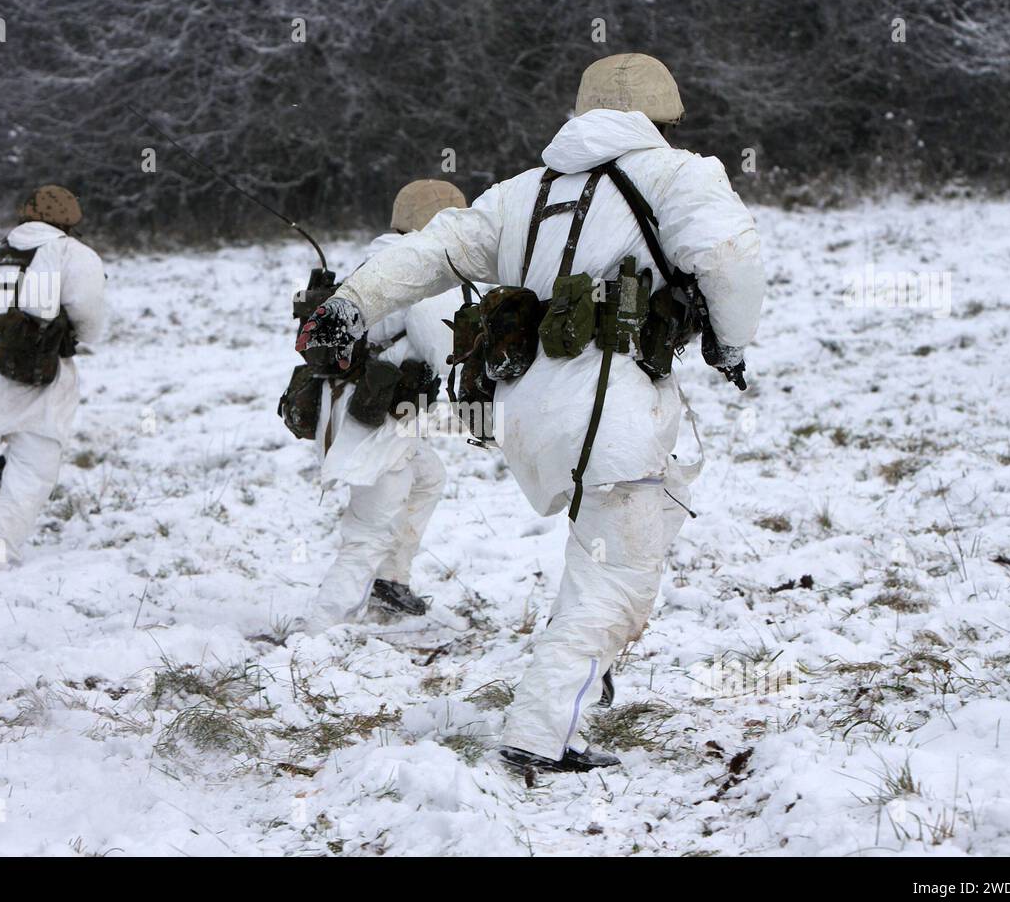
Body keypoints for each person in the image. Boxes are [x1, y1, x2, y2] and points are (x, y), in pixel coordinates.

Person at [297, 54, 765, 771]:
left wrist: (349, 304)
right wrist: (730, 346)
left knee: (631, 527)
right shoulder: (681, 175)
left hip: (529, 408)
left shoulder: (522, 192)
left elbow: (433, 251)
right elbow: (731, 257)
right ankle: (544, 730)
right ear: (661, 116)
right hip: (612, 408)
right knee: (618, 577)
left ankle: (581, 657)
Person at [304, 180, 466, 625]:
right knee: (368, 531)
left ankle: (389, 582)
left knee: (428, 477)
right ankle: (324, 625)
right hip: (374, 419)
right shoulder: (419, 272)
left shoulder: (378, 260)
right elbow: (446, 348)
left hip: (363, 407)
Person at [0, 185, 106, 584]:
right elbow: (89, 321)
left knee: (23, 447)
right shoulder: (72, 253)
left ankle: (0, 484)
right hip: (31, 366)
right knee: (37, 463)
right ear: (71, 220)